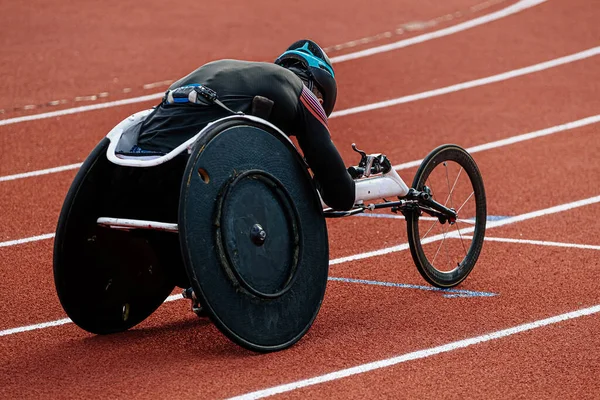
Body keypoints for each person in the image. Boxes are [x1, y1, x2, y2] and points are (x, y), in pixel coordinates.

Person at [133, 39, 356, 211]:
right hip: (195, 159)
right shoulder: (302, 92)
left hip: (145, 147)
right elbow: (341, 196)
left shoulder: (239, 71)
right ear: (319, 91)